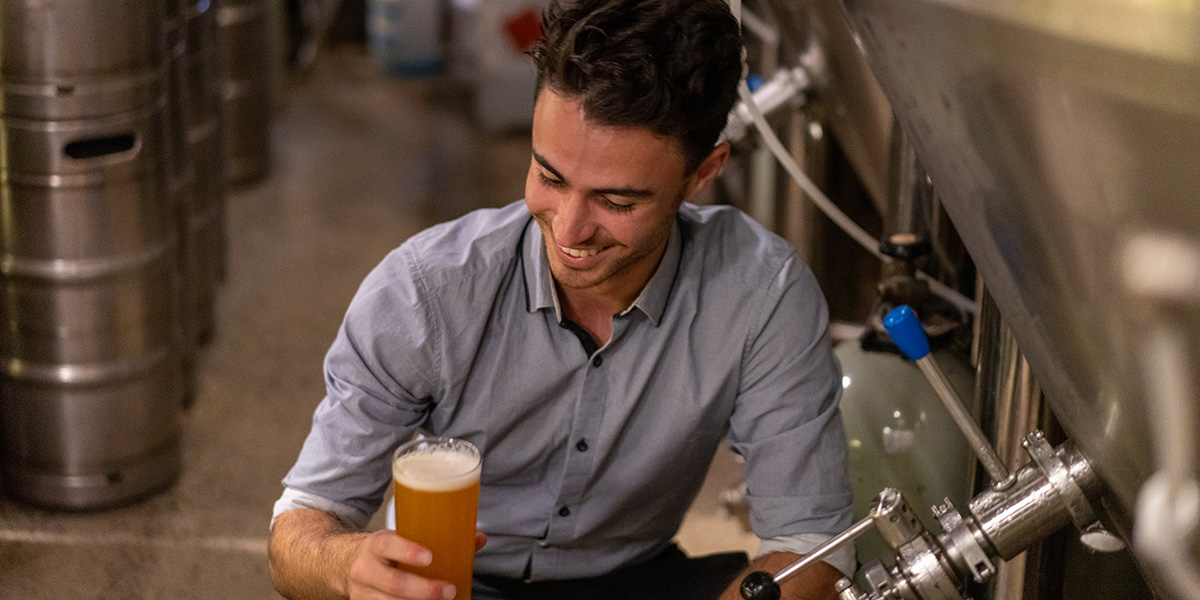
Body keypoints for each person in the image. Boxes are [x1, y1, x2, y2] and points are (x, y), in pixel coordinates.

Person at [268, 0, 854, 599]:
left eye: (618, 202)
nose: (569, 230)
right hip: (448, 581)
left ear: (703, 171)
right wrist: (346, 564)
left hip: (636, 580)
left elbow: (813, 544)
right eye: (549, 177)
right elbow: (300, 530)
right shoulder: (425, 290)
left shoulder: (763, 295)